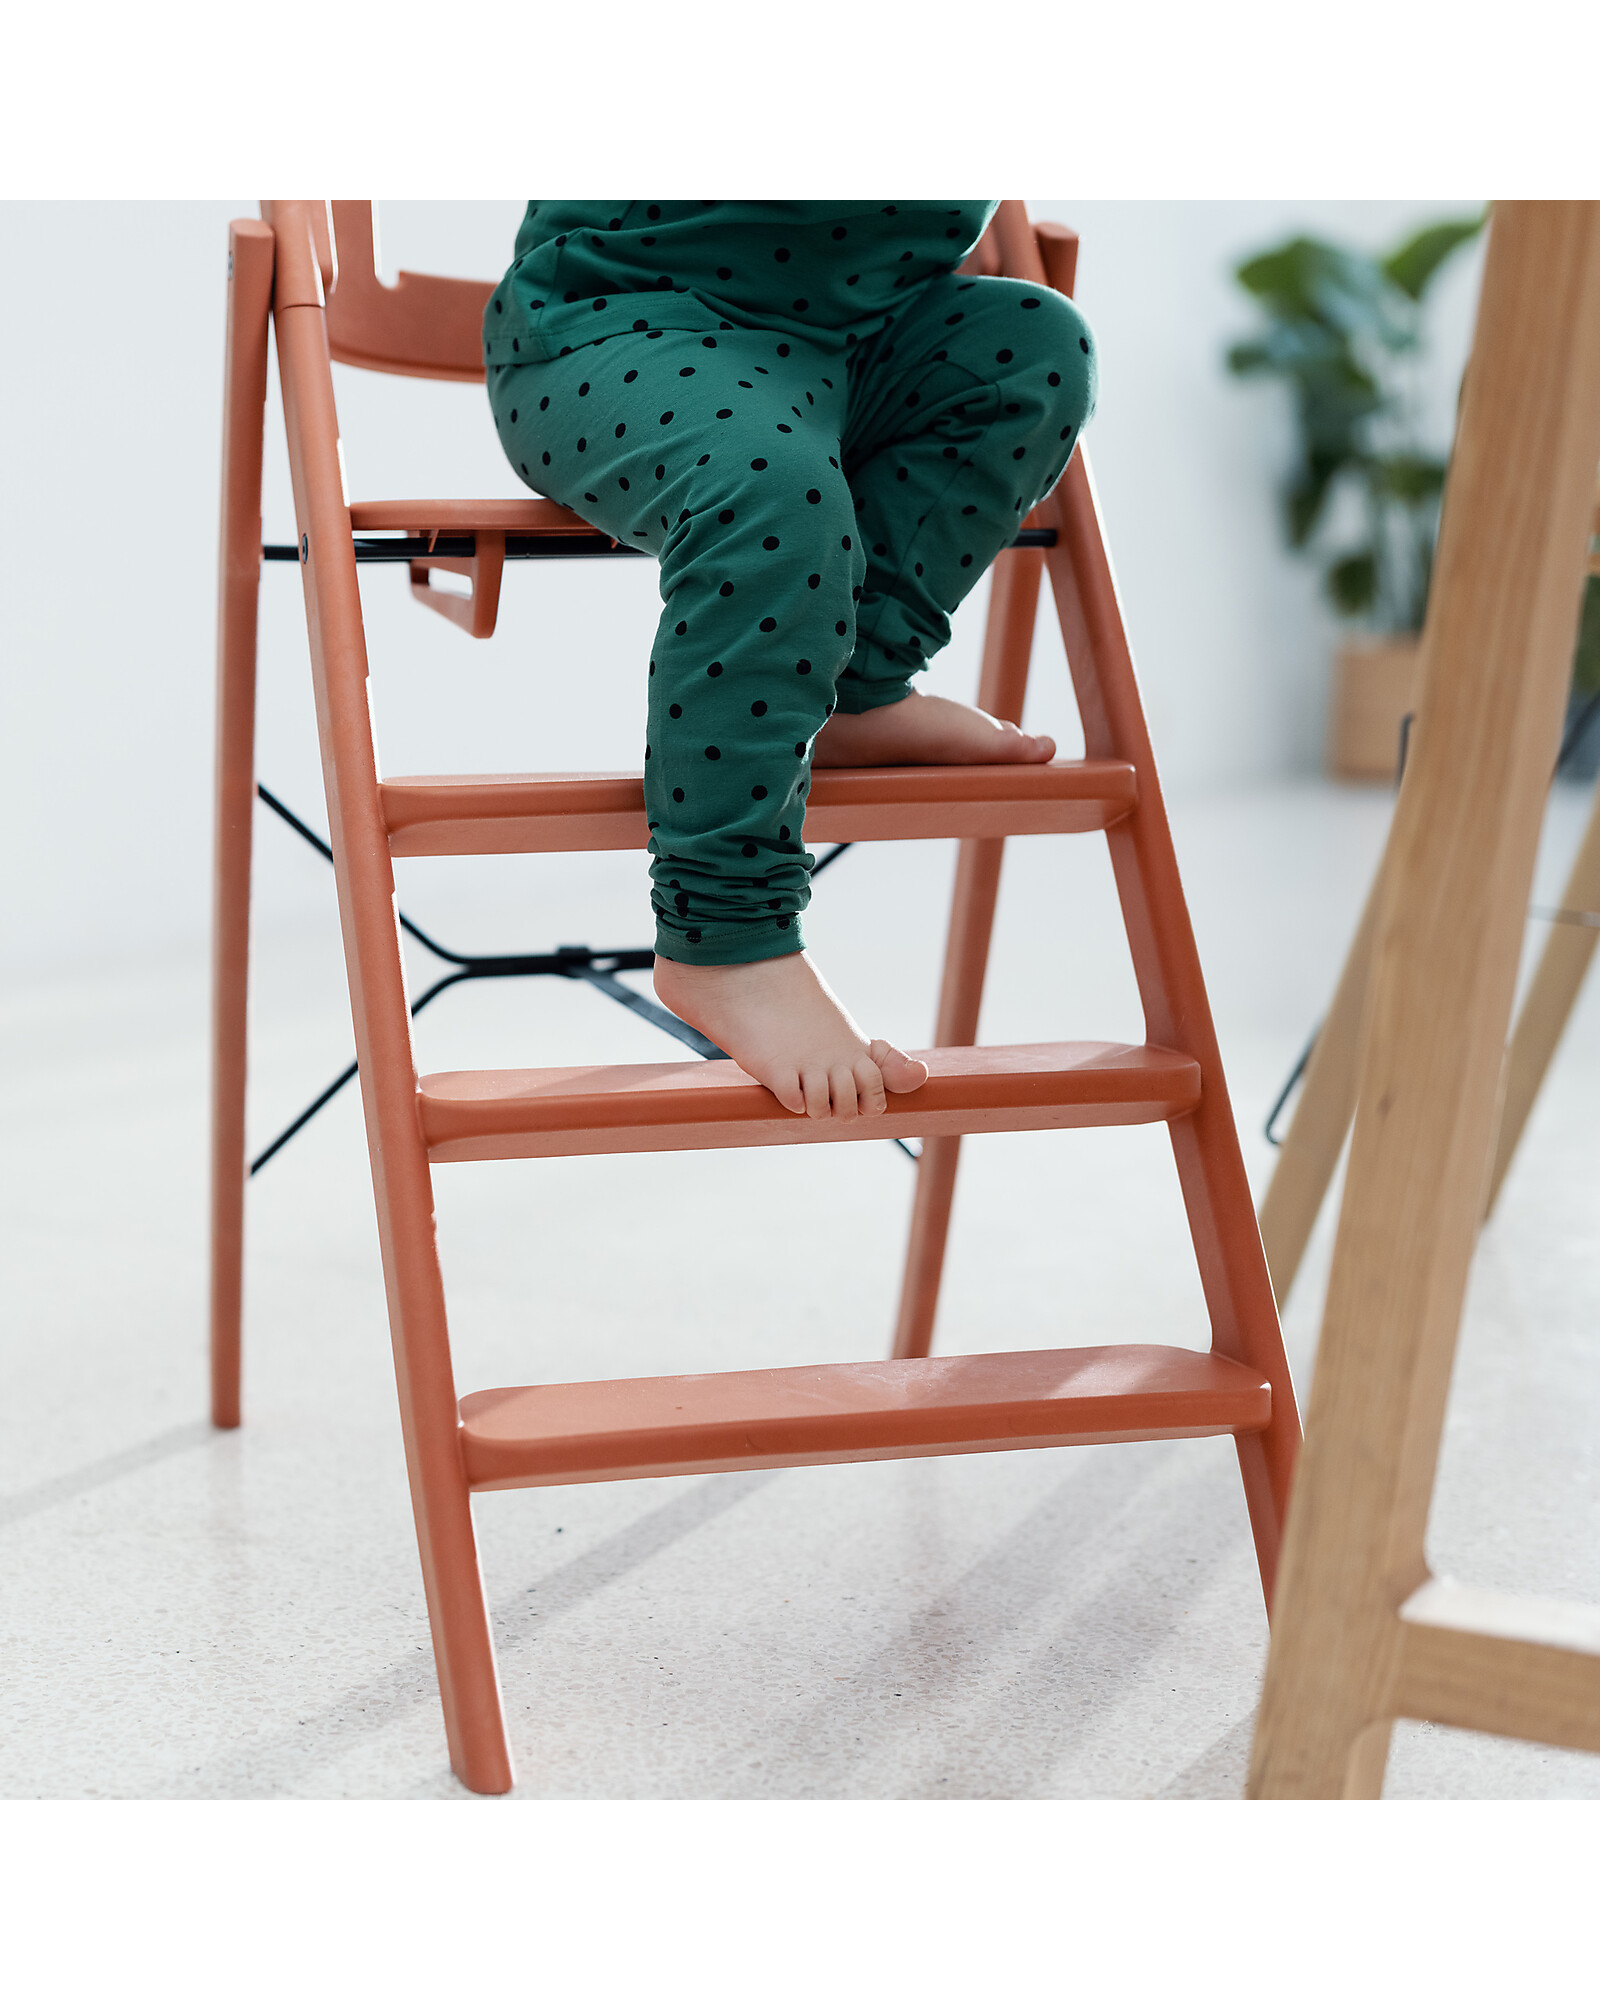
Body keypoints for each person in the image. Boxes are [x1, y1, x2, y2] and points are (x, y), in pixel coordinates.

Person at [484, 202, 1097, 1120]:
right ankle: (724, 934)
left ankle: (858, 685)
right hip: (619, 326)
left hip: (865, 334)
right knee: (777, 496)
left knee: (1036, 347)